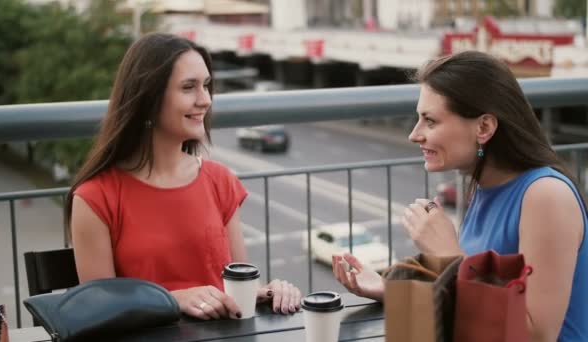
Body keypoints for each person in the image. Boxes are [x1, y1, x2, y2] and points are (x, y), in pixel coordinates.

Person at [333, 51, 587, 341]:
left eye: (430, 121)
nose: (414, 135)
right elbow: (480, 299)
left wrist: (449, 255)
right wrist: (391, 290)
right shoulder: (484, 186)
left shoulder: (546, 196)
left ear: (484, 127)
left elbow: (536, 334)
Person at [65, 33, 301, 321]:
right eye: (188, 87)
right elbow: (99, 310)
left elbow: (236, 290)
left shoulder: (220, 180)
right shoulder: (95, 197)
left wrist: (268, 291)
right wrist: (172, 299)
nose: (205, 100)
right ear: (149, 98)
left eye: (206, 86)